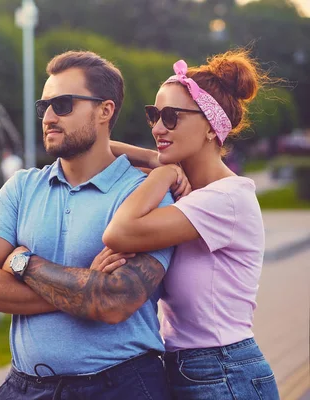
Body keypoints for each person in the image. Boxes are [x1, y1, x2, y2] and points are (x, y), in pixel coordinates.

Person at [0, 51, 179, 400]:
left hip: (120, 387)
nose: (48, 117)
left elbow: (113, 301)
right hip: (24, 388)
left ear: (105, 111)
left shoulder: (145, 197)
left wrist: (23, 263)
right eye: (44, 106)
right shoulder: (21, 187)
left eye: (63, 104)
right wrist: (82, 285)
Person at [104, 50, 280, 399]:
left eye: (171, 117)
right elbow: (95, 150)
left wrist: (165, 170)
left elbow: (119, 232)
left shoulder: (225, 199)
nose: (157, 128)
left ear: (212, 128)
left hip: (224, 372)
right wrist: (156, 158)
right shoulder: (191, 196)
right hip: (196, 368)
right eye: (154, 115)